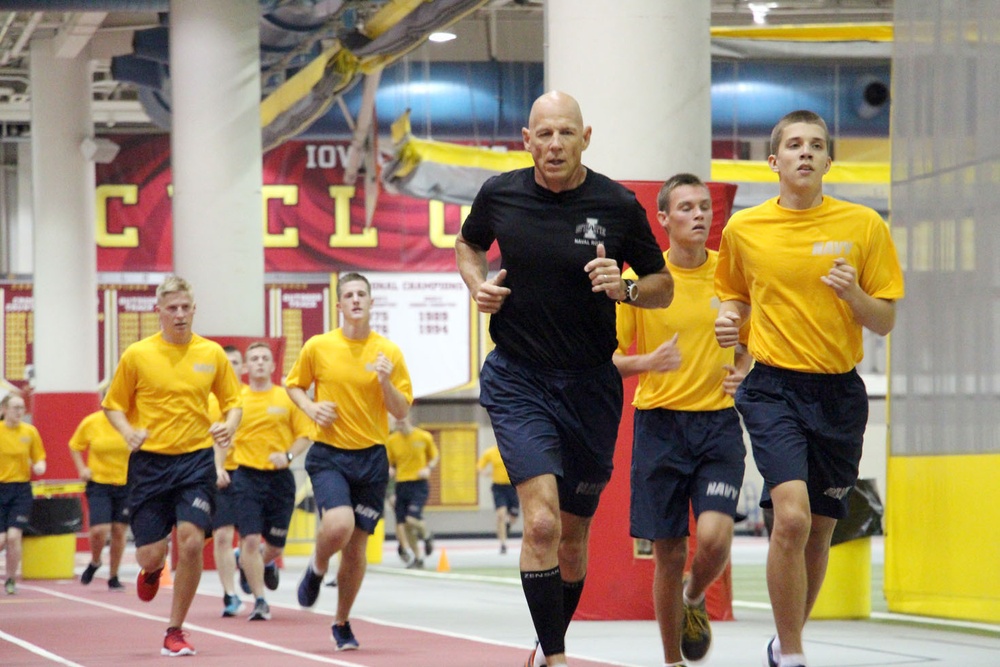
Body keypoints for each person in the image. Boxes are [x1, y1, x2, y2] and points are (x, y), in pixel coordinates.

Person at [455, 90, 674, 667]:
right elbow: (468, 243)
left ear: (585, 137)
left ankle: (546, 638)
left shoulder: (619, 204)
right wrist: (476, 283)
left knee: (573, 541)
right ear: (526, 140)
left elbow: (662, 285)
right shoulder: (499, 194)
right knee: (543, 521)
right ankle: (555, 657)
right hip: (519, 377)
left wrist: (624, 287)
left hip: (591, 385)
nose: (554, 145)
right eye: (543, 135)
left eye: (565, 134)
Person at [714, 110, 904, 667]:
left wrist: (853, 296)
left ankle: (782, 641)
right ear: (773, 161)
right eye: (794, 145)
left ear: (827, 160)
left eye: (816, 145)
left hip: (839, 392)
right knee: (791, 517)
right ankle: (794, 655)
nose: (805, 153)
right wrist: (729, 320)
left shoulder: (864, 225)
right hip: (772, 386)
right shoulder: (744, 229)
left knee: (821, 529)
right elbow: (733, 295)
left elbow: (885, 320)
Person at [615, 173, 751, 667]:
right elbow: (607, 358)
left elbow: (751, 348)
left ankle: (696, 597)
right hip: (659, 426)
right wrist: (647, 363)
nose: (699, 215)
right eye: (686, 208)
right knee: (669, 554)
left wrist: (741, 370)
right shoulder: (643, 282)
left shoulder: (731, 274)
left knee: (714, 538)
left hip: (717, 426)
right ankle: (672, 660)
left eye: (704, 207)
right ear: (664, 218)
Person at [103, 275, 242, 657]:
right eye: (172, 308)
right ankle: (150, 570)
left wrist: (228, 426)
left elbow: (234, 403)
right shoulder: (137, 355)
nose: (180, 315)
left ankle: (175, 630)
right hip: (149, 464)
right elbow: (112, 404)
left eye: (186, 308)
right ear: (159, 311)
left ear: (194, 310)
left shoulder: (211, 354)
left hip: (195, 461)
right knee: (152, 554)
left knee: (192, 541)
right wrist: (127, 430)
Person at [286, 272, 413, 652]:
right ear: (339, 305)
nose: (356, 300)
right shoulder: (318, 347)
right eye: (349, 295)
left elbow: (402, 410)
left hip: (372, 457)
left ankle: (341, 622)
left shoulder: (387, 353)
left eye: (362, 294)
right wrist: (311, 406)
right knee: (338, 524)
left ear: (371, 303)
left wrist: (386, 383)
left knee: (356, 549)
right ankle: (318, 566)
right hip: (329, 454)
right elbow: (293, 385)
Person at [230, 341, 313, 621]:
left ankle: (261, 564)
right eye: (254, 358)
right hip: (246, 477)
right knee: (250, 540)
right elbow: (221, 434)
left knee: (275, 546)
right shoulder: (236, 400)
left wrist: (288, 455)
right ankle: (260, 600)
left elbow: (305, 435)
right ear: (245, 367)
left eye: (265, 358)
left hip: (280, 479)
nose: (260, 362)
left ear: (274, 365)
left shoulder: (285, 398)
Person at [69, 387, 130, 591]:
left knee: (119, 530)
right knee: (99, 529)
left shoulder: (131, 421)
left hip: (125, 482)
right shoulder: (92, 422)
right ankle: (96, 561)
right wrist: (82, 468)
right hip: (99, 482)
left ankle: (114, 576)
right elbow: (75, 445)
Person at [212, 344, 246, 618]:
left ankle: (251, 559)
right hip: (222, 473)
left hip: (253, 474)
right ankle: (230, 594)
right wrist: (217, 467)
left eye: (235, 362)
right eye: (226, 362)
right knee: (222, 535)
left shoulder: (253, 397)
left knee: (256, 539)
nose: (231, 367)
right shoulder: (209, 399)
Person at [0, 394, 45, 595]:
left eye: (22, 408)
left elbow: (39, 457)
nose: (19, 412)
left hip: (21, 489)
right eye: (15, 407)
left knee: (14, 536)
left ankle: (10, 578)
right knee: (1, 539)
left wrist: (39, 465)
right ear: (4, 409)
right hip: (1, 487)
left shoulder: (29, 432)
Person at [385, 415, 438, 569]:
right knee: (405, 525)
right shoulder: (392, 440)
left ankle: (427, 536)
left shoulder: (423, 436)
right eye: (396, 420)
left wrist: (428, 468)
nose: (399, 423)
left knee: (411, 519)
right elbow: (391, 464)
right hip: (402, 484)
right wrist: (390, 473)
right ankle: (418, 558)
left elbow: (434, 457)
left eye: (401, 419)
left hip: (418, 484)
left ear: (408, 418)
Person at [476, 443, 519, 555]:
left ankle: (507, 525)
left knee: (513, 517)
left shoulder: (513, 450)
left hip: (512, 487)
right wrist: (483, 471)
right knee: (501, 515)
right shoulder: (491, 452)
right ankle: (503, 544)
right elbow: (480, 465)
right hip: (498, 488)